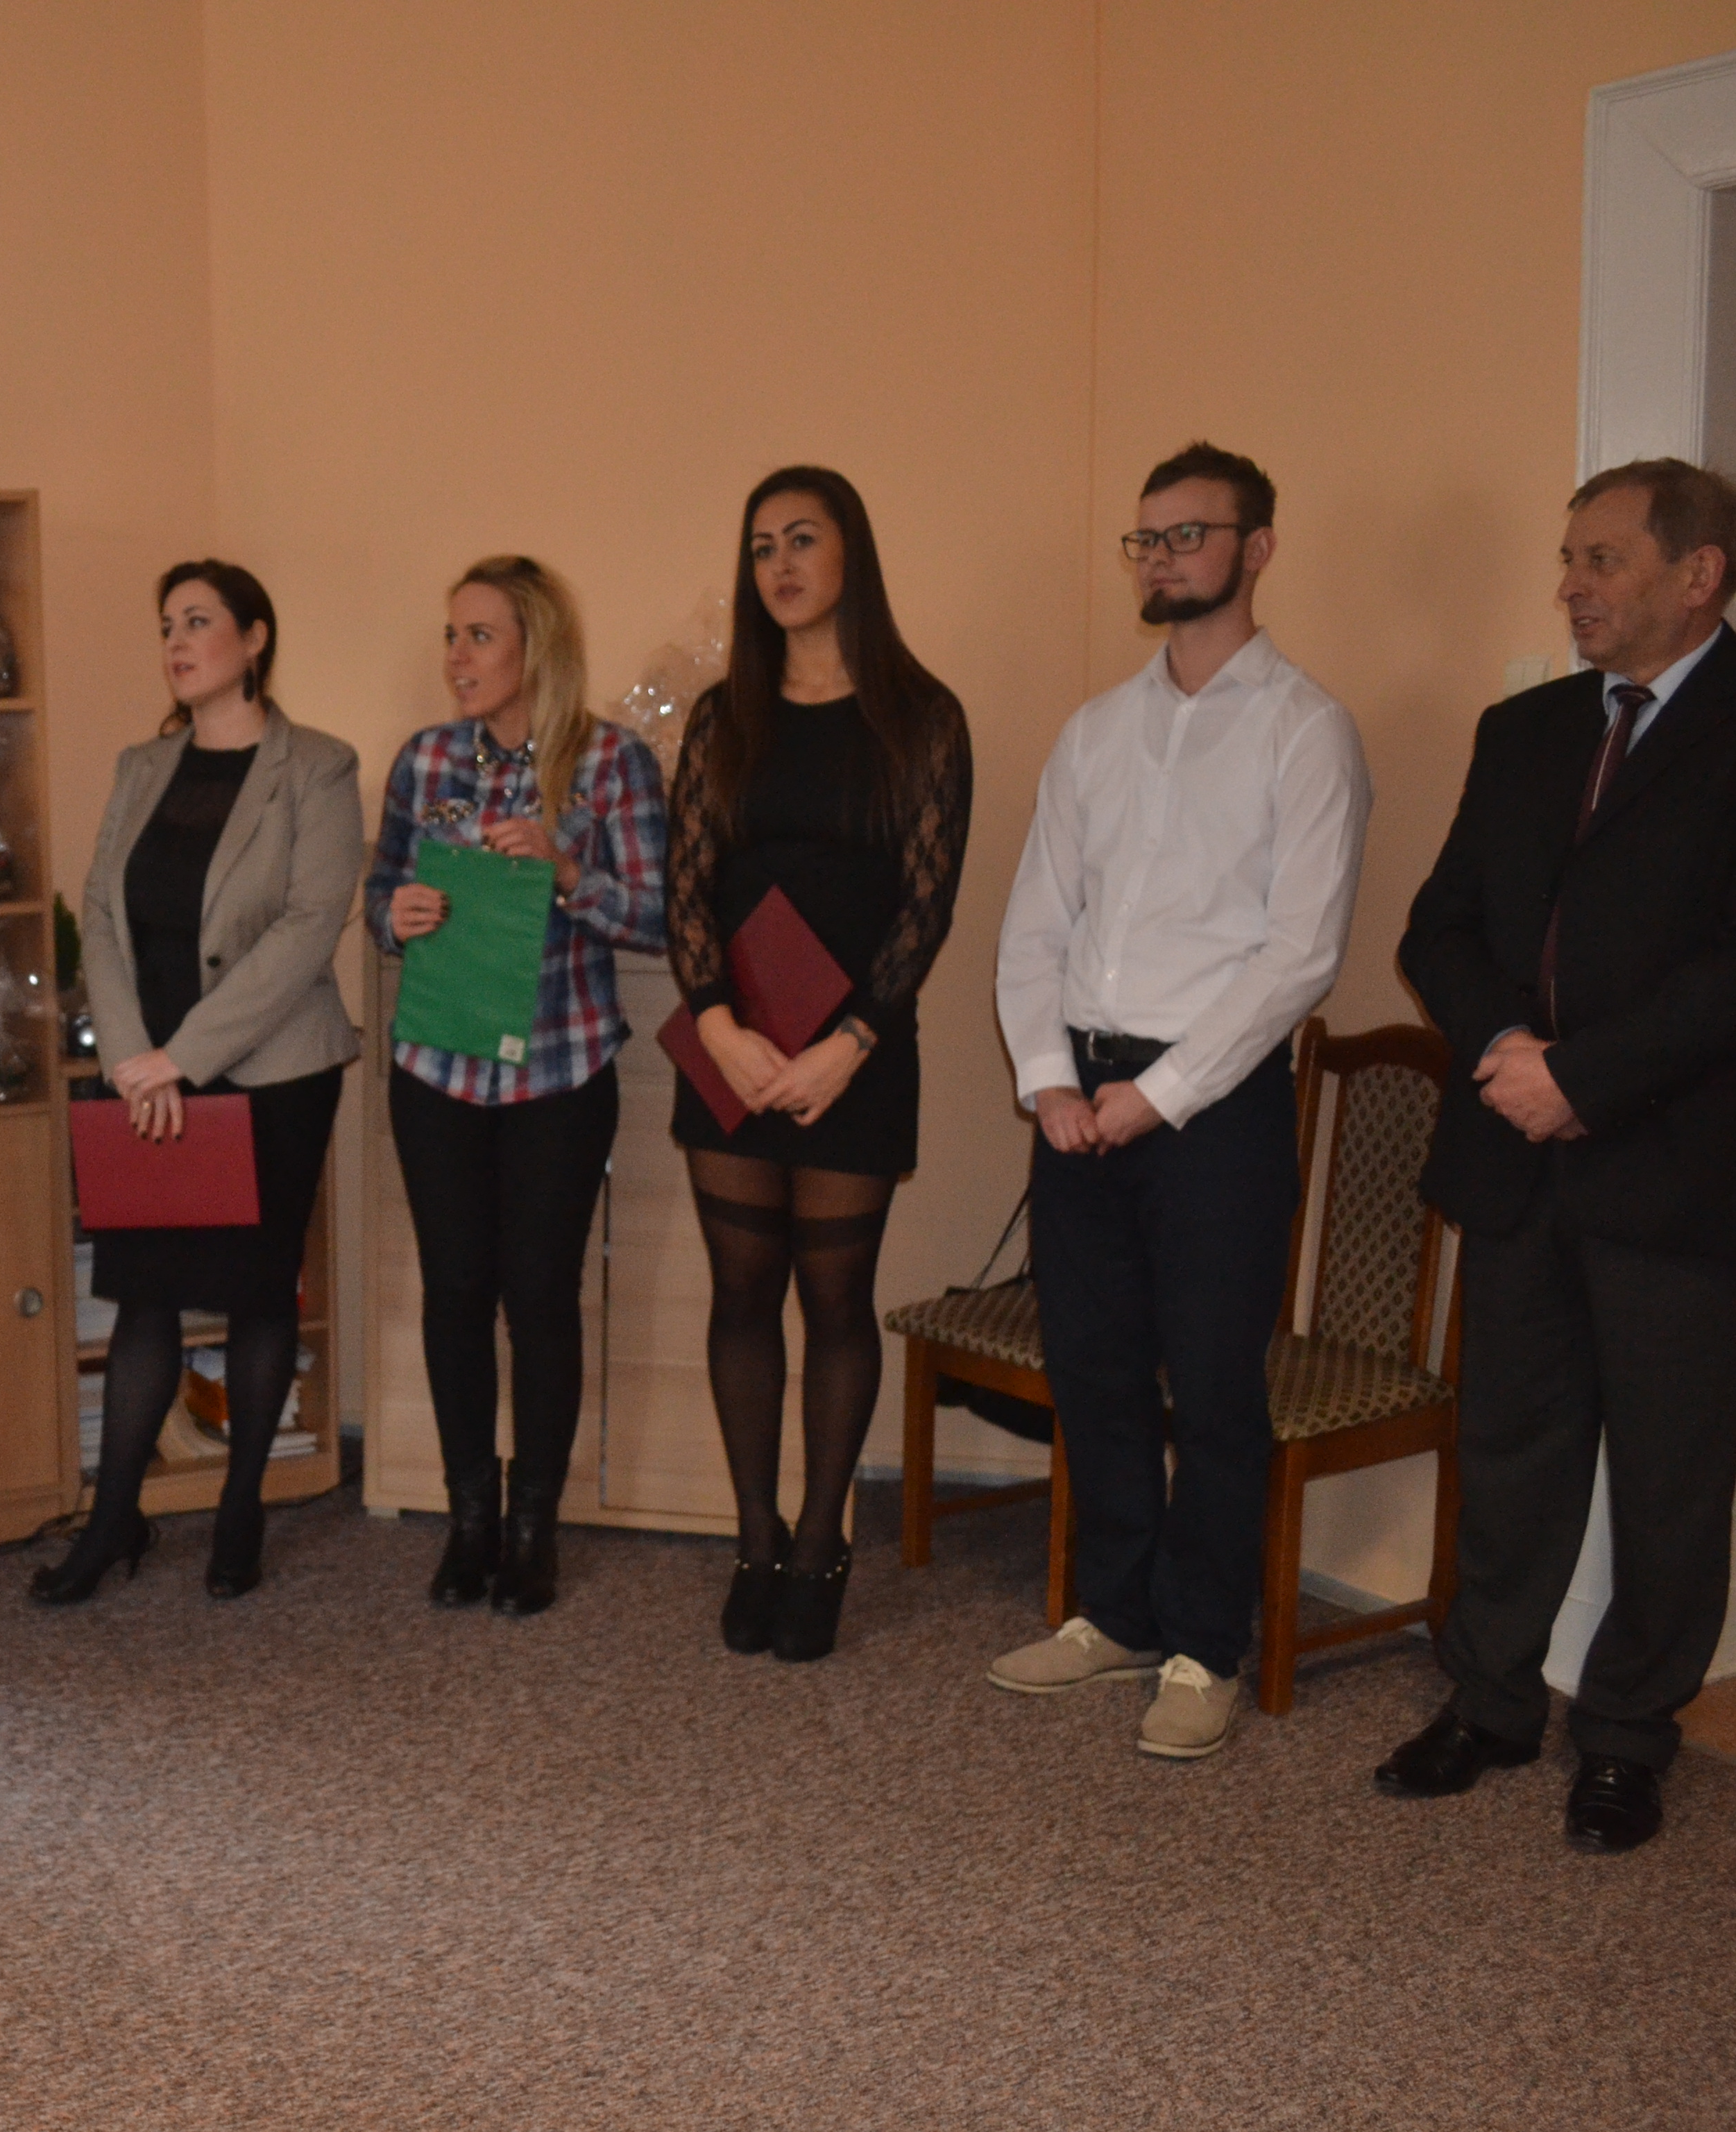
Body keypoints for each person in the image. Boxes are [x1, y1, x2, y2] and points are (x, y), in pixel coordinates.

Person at [989, 441, 1370, 1759]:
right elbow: (1035, 925)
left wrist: (1155, 1097)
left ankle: (1206, 1644)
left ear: (1256, 549)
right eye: (1146, 539)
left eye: (1187, 535)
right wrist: (1050, 1080)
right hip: (1079, 1098)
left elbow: (1300, 956)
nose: (1161, 559)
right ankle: (1117, 1612)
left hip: (1215, 1108)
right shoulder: (1096, 731)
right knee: (1092, 1371)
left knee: (1212, 1391)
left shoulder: (1306, 730)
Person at [1381, 457, 1736, 1852]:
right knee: (1512, 1444)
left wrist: (1584, 1078)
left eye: (1603, 561)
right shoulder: (1524, 729)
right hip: (1516, 1155)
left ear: (1698, 575)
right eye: (1570, 560)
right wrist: (1506, 1057)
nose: (1572, 588)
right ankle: (1489, 1700)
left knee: (1668, 1472)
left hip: (1677, 1171)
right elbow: (1438, 926)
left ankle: (1630, 1736)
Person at [666, 467, 971, 1662]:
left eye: (802, 539)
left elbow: (925, 908)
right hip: (733, 1048)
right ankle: (755, 1539)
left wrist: (850, 1044)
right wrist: (717, 1028)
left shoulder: (923, 718)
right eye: (761, 547)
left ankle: (819, 1544)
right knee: (741, 1294)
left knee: (836, 1300)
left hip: (859, 1053)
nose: (780, 565)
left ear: (853, 556)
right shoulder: (723, 717)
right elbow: (690, 890)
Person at [42, 561, 363, 1604]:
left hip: (270, 1075)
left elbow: (309, 928)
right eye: (166, 625)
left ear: (254, 638)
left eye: (198, 622)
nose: (177, 643)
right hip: (147, 1081)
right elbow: (101, 915)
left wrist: (187, 1057)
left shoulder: (317, 767)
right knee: (144, 1294)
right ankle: (113, 1521)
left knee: (258, 1295)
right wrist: (136, 1061)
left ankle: (240, 1512)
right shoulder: (143, 765)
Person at [365, 555, 667, 1616]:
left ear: (537, 646)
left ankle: (534, 1528)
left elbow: (658, 920)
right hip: (436, 1071)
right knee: (454, 1295)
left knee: (539, 1299)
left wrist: (568, 872)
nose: (457, 656)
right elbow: (381, 888)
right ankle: (470, 1523)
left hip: (559, 1073)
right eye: (452, 635)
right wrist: (393, 915)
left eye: (480, 635)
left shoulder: (612, 763)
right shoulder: (425, 760)